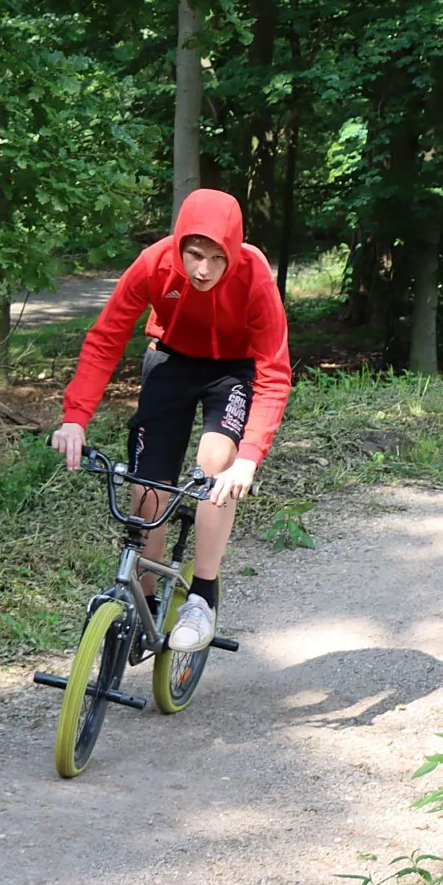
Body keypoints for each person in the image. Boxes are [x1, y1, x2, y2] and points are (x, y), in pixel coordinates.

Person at [48, 189, 292, 652]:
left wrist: (249, 459)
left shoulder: (255, 275)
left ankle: (202, 596)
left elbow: (275, 373)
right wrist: (75, 418)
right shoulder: (154, 263)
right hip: (170, 362)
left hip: (232, 372)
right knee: (148, 491)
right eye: (195, 254)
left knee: (215, 467)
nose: (203, 269)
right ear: (179, 243)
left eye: (217, 258)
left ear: (234, 253)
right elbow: (106, 338)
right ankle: (142, 601)